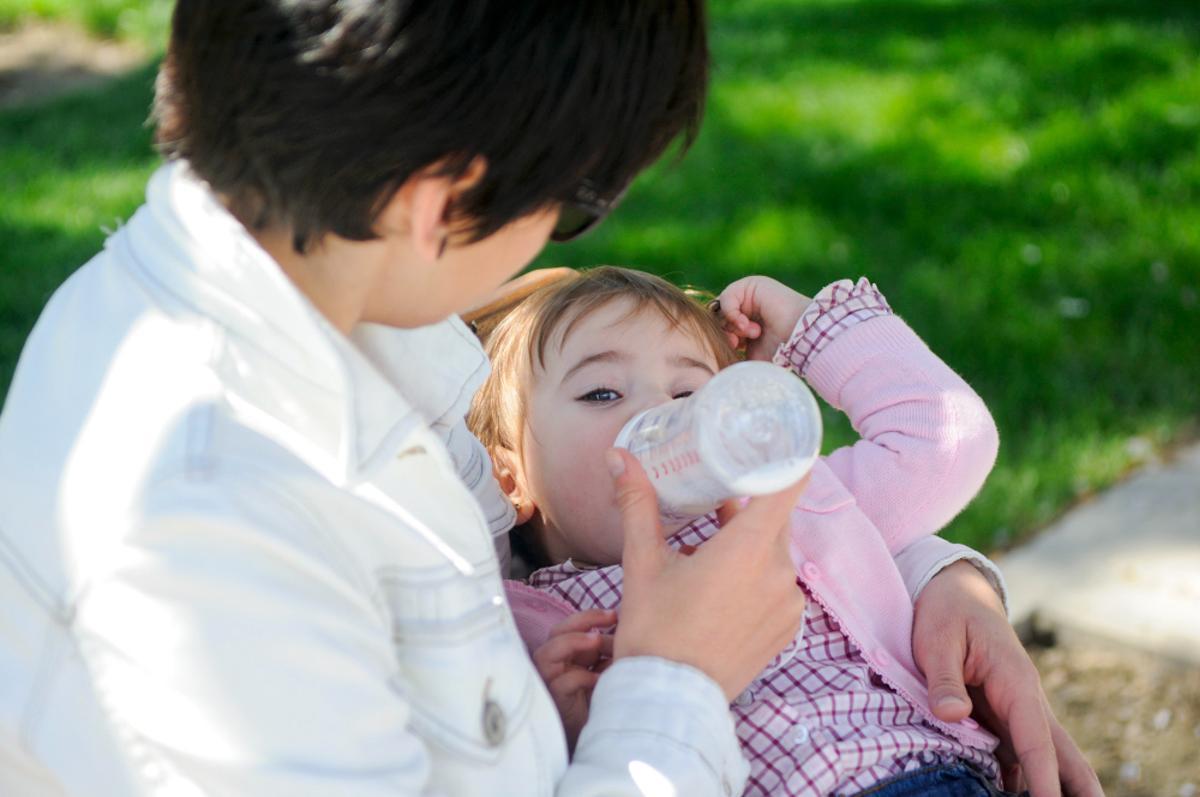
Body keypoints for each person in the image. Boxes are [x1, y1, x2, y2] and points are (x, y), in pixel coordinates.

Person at [0, 2, 1101, 796]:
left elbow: (817, 521)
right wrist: (674, 680)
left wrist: (941, 583)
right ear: (442, 201)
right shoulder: (206, 535)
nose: (558, 243)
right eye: (573, 201)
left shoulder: (358, 323)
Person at [467, 266, 1015, 795]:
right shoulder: (526, 624)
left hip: (927, 770)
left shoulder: (785, 510)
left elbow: (943, 440)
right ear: (510, 479)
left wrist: (806, 327)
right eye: (602, 393)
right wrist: (562, 725)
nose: (661, 410)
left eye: (689, 396)